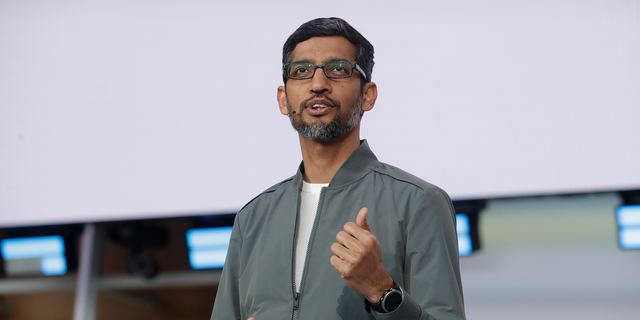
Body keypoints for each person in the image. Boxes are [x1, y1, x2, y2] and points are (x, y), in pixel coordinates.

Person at [210, 17, 465, 320]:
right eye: (301, 71)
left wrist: (383, 292)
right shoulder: (252, 217)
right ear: (283, 98)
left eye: (338, 69)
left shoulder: (418, 202)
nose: (318, 84)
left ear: (367, 95)